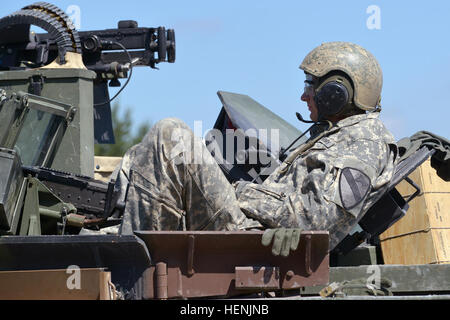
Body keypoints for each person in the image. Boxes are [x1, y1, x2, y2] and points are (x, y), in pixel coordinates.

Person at [115, 41, 398, 257]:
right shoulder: (343, 134)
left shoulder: (363, 144)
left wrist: (237, 190)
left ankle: (133, 266)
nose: (304, 95)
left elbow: (315, 222)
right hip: (256, 232)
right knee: (139, 156)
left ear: (336, 92)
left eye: (311, 85)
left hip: (261, 244)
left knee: (171, 134)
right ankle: (138, 249)